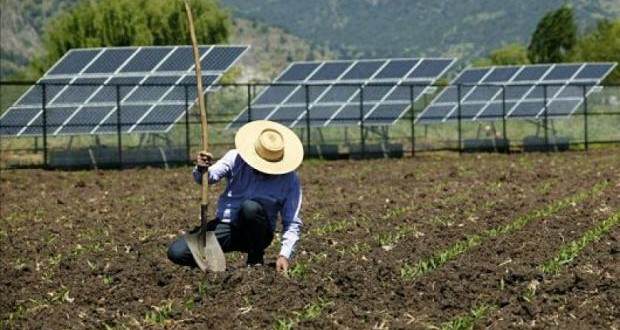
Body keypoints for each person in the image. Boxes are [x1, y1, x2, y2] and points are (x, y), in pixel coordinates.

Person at [167, 120, 304, 272]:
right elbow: (208, 177)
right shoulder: (235, 158)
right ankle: (216, 267)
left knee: (250, 208)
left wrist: (284, 255)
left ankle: (255, 259)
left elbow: (291, 222)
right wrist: (202, 168)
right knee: (177, 252)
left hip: (259, 233)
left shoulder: (290, 179)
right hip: (227, 226)